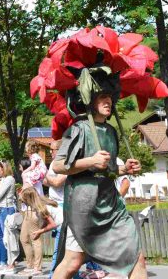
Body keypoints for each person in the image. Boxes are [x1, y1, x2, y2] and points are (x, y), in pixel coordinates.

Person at [52, 93, 146, 279]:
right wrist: (90, 161)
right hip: (84, 206)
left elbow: (107, 170)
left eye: (110, 98)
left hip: (111, 204)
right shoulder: (78, 129)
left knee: (137, 258)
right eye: (102, 97)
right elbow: (57, 165)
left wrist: (124, 169)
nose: (108, 101)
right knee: (72, 262)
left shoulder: (110, 131)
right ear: (89, 100)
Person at [19, 186, 60, 277]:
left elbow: (52, 224)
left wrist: (40, 231)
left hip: (34, 213)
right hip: (29, 212)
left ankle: (37, 268)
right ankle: (30, 266)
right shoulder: (31, 202)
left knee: (35, 239)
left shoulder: (40, 206)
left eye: (25, 200)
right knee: (23, 238)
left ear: (29, 199)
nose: (23, 201)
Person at [45, 140, 68, 277]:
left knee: (61, 245)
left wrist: (46, 176)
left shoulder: (65, 163)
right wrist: (49, 179)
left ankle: (53, 274)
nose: (50, 152)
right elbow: (45, 181)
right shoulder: (54, 164)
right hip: (54, 206)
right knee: (62, 244)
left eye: (52, 150)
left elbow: (57, 182)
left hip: (63, 206)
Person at [0, 161, 18, 273]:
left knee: (9, 237)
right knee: (6, 238)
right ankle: (10, 263)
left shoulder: (9, 179)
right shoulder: (5, 179)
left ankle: (12, 264)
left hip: (7, 209)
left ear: (4, 168)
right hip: (3, 209)